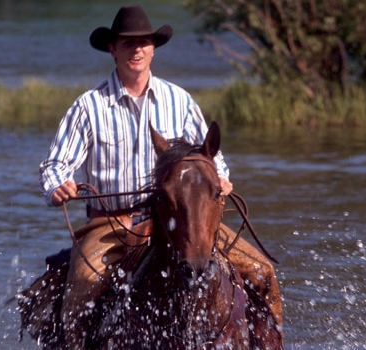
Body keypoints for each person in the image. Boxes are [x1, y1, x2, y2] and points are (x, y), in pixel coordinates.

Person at [38, 4, 281, 348]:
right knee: (81, 281)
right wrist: (58, 186)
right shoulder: (88, 106)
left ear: (153, 48)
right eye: (127, 43)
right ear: (113, 49)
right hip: (112, 224)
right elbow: (54, 164)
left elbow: (211, 157)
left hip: (183, 218)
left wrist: (222, 180)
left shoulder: (179, 100)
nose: (136, 50)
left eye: (143, 43)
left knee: (262, 272)